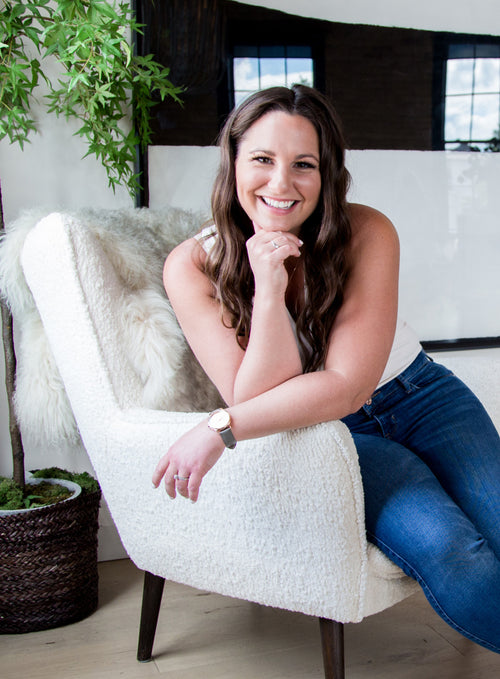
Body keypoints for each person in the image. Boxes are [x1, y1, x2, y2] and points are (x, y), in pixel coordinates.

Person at [152, 84, 500, 653]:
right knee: (454, 553)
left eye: (304, 165)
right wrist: (268, 290)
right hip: (331, 435)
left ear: (328, 173)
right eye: (262, 159)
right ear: (233, 161)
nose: (281, 183)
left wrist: (219, 428)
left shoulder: (367, 231)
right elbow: (256, 393)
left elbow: (346, 382)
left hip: (421, 398)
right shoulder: (192, 265)